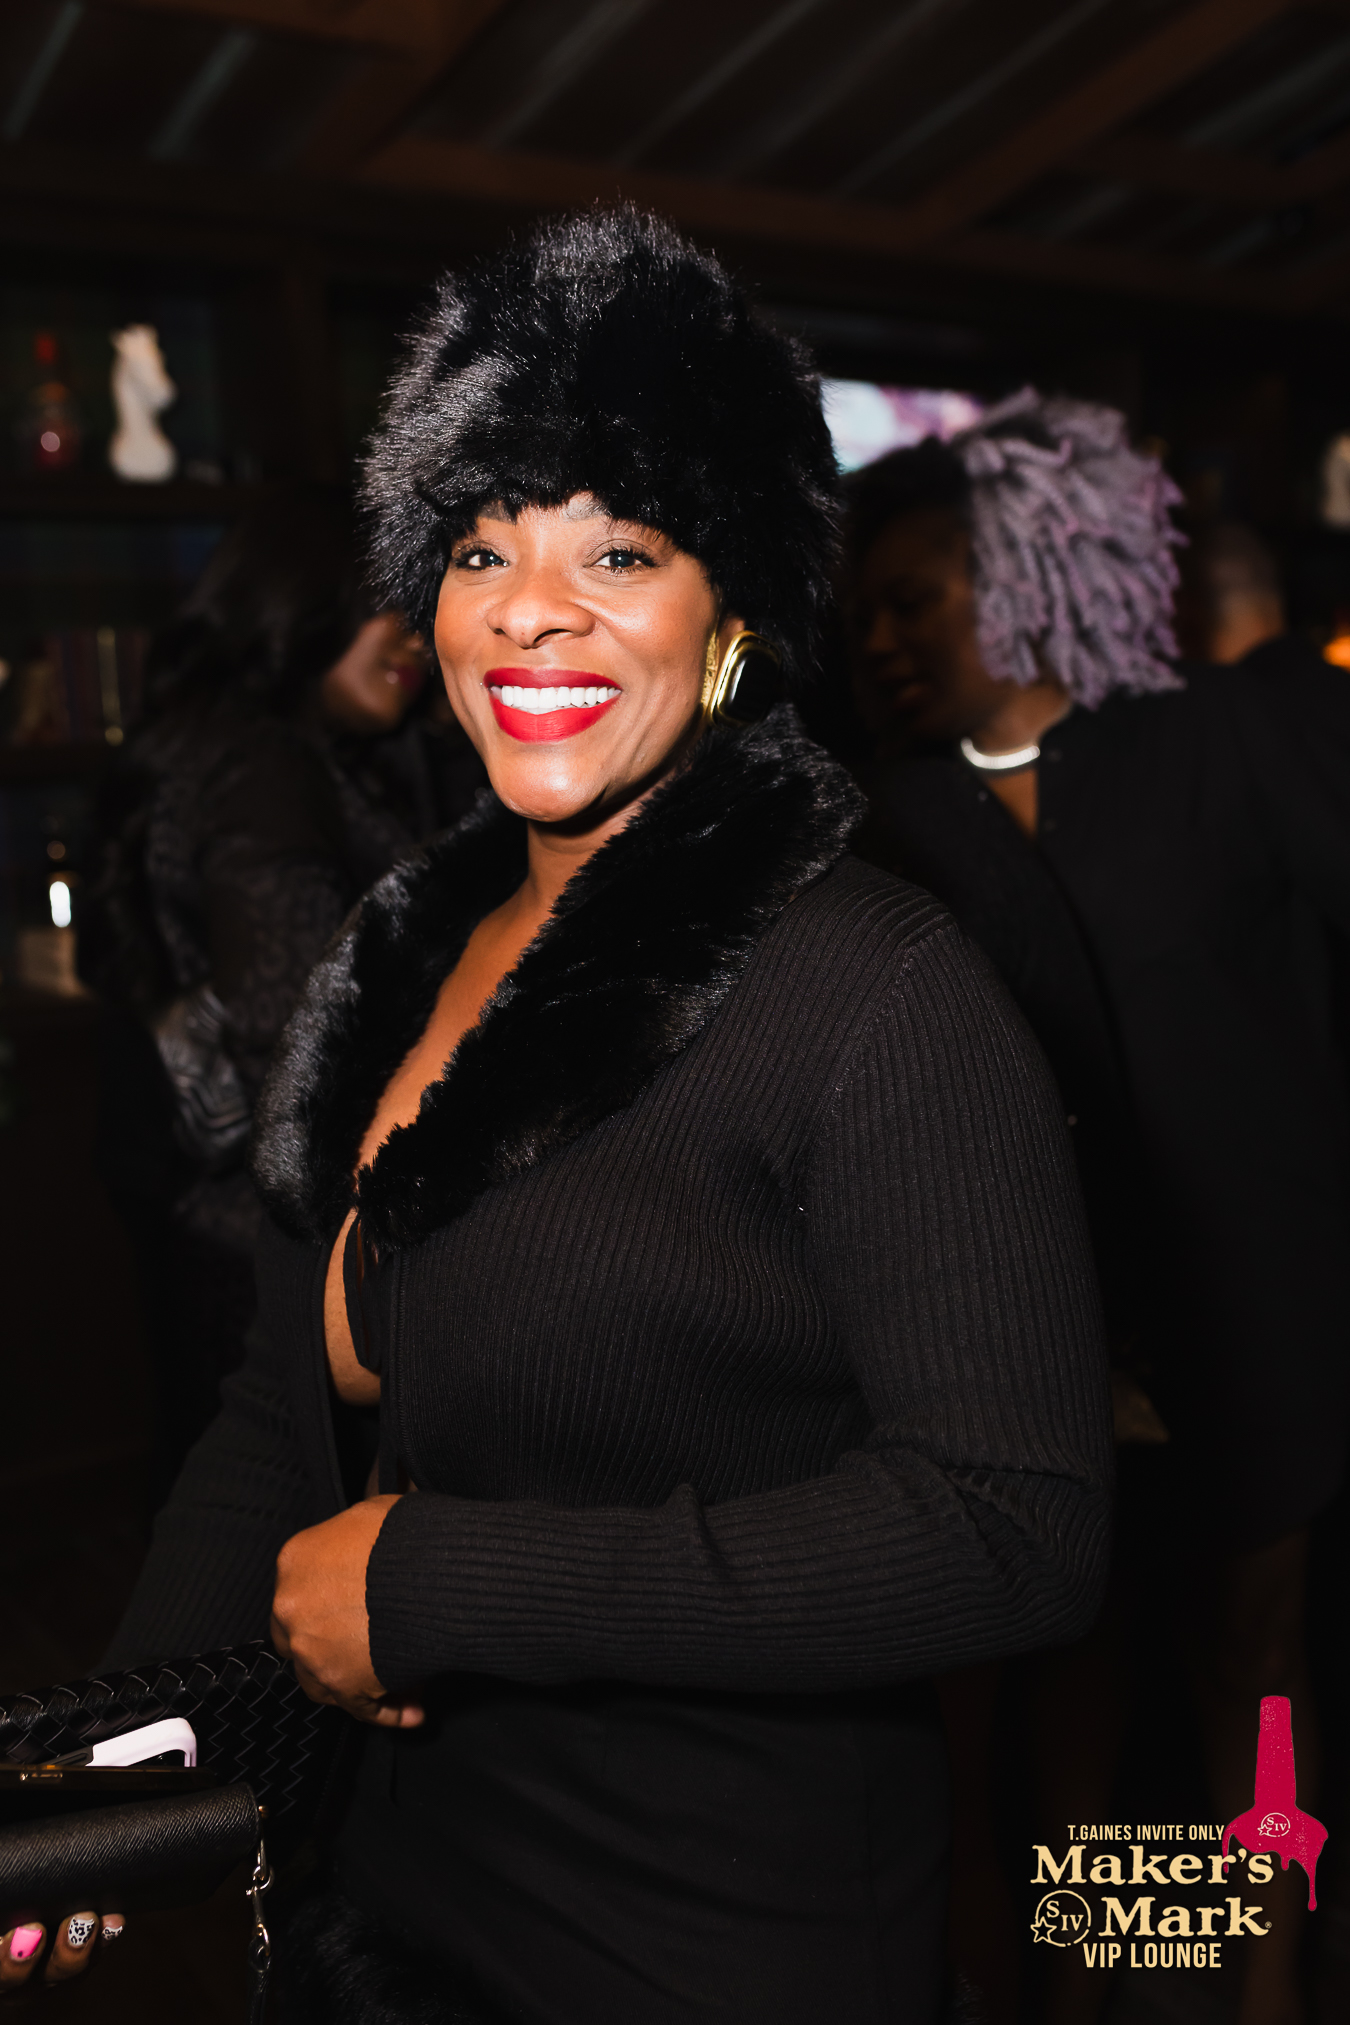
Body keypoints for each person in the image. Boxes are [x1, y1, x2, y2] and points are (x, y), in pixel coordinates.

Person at [5, 214, 1111, 2018]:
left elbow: (1014, 1525)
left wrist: (454, 1586)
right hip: (385, 1907)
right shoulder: (397, 953)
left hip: (702, 1946)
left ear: (733, 612)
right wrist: (118, 1764)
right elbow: (280, 1405)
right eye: (479, 546)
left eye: (618, 548)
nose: (527, 605)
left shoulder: (877, 988)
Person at [847, 393, 1350, 2025]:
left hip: (1257, 1302)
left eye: (912, 599)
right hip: (1039, 1327)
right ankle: (1093, 1981)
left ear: (1022, 576)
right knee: (1072, 1683)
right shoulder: (896, 821)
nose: (881, 640)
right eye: (864, 614)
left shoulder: (1217, 743)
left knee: (1248, 1668)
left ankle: (1265, 1985)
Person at [81, 487, 482, 1497]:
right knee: (274, 1518)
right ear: (301, 606)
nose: (416, 631)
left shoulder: (229, 746)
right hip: (276, 1242)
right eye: (384, 600)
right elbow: (298, 1023)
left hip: (215, 1219)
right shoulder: (264, 767)